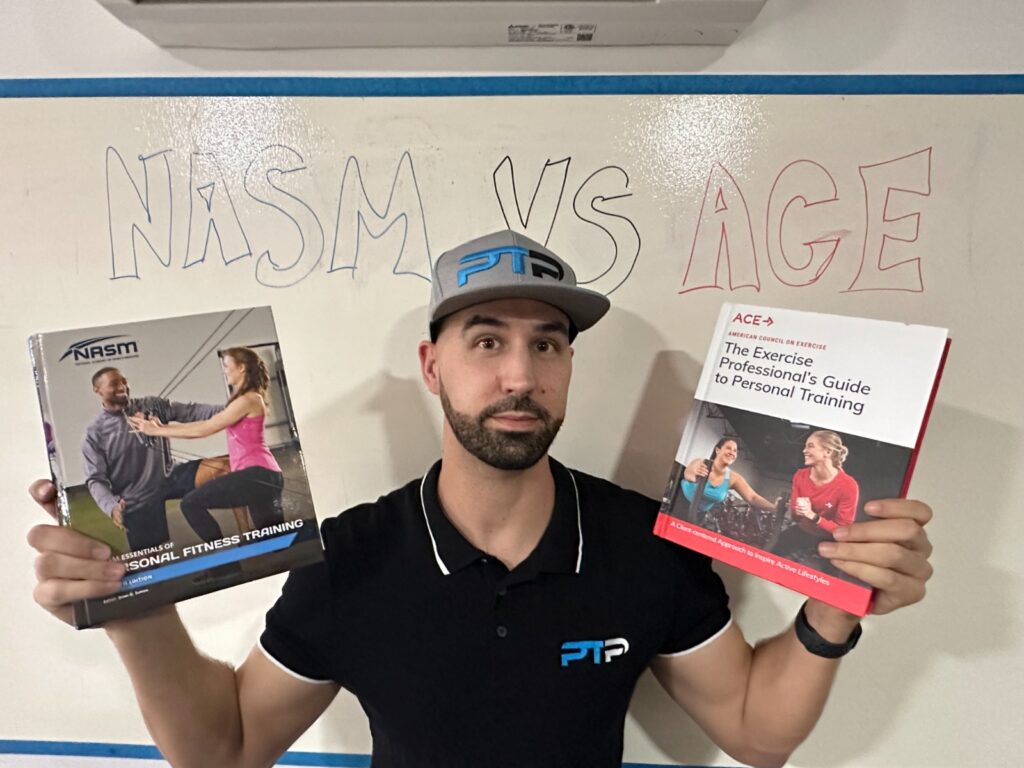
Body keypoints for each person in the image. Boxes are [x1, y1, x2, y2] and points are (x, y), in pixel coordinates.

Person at [29, 231, 934, 768]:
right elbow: (223, 749)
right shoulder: (352, 560)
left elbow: (755, 729)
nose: (519, 375)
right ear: (433, 366)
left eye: (548, 346)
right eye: (487, 340)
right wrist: (128, 603)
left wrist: (833, 605)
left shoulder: (645, 545)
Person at [127, 347, 285, 542]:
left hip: (257, 474)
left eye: (227, 366)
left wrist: (156, 431)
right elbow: (202, 424)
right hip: (261, 477)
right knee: (278, 543)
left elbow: (206, 429)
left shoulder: (250, 399)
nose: (225, 370)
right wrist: (160, 427)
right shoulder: (241, 401)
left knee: (190, 504)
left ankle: (220, 554)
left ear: (242, 368)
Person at [82, 367, 222, 551]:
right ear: (97, 390)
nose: (123, 386)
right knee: (150, 561)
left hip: (171, 477)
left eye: (124, 381)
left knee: (220, 468)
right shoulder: (95, 433)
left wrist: (234, 409)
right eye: (114, 383)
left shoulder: (151, 406)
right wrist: (111, 507)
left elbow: (190, 411)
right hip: (137, 496)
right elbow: (95, 479)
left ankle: (227, 566)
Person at [774, 430, 860, 560]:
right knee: (775, 550)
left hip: (828, 539)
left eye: (810, 446)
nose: (804, 450)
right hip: (802, 531)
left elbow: (843, 530)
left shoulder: (848, 485)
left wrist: (814, 516)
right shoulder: (800, 475)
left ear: (827, 452)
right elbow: (796, 517)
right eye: (805, 446)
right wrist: (795, 509)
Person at [681, 437, 779, 522]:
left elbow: (752, 497)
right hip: (680, 504)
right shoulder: (701, 463)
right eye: (728, 448)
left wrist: (774, 508)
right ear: (718, 450)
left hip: (698, 515)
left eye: (735, 450)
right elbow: (688, 473)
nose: (732, 453)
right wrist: (694, 472)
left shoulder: (733, 478)